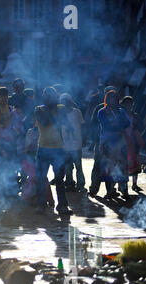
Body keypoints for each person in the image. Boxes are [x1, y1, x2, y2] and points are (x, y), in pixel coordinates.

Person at [34, 87, 73, 215]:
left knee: (59, 180)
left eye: (53, 96)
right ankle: (40, 204)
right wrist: (56, 115)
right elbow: (45, 122)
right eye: (48, 96)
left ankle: (62, 206)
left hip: (58, 149)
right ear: (44, 98)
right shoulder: (39, 109)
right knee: (41, 178)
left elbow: (67, 124)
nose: (51, 98)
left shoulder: (61, 108)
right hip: (43, 148)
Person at [0, 87, 24, 210]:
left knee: (10, 172)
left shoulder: (12, 111)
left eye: (5, 95)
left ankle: (9, 199)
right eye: (1, 96)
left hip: (10, 147)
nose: (4, 98)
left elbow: (18, 128)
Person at [97, 90, 131, 200]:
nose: (113, 100)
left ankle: (124, 191)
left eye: (115, 98)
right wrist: (118, 126)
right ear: (107, 99)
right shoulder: (102, 111)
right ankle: (110, 191)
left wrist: (116, 125)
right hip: (107, 142)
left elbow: (127, 123)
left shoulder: (121, 111)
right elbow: (106, 125)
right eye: (111, 98)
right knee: (108, 167)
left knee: (122, 167)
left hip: (121, 142)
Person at [88, 86, 117, 197]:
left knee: (109, 166)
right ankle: (94, 189)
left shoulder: (117, 109)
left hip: (112, 143)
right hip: (101, 142)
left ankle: (108, 190)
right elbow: (93, 124)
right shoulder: (100, 109)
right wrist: (95, 141)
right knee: (99, 166)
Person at [59, 93, 86, 193]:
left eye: (66, 101)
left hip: (76, 144)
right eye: (63, 101)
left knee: (78, 166)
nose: (65, 103)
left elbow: (83, 126)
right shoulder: (60, 115)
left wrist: (84, 138)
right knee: (68, 167)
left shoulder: (76, 112)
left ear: (70, 102)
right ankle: (70, 184)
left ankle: (80, 185)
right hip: (65, 145)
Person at [121, 96, 145, 192]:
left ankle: (134, 184)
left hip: (134, 143)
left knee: (136, 163)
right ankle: (123, 185)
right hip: (123, 142)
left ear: (132, 105)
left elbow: (142, 126)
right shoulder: (121, 116)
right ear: (123, 105)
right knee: (124, 164)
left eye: (130, 104)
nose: (128, 106)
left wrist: (136, 125)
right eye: (126, 104)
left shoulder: (135, 116)